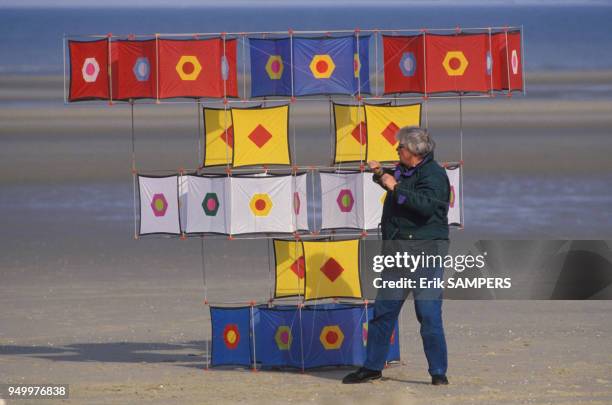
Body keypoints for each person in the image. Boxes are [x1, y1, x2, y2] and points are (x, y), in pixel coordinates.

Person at [342, 126, 451, 385]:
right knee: (383, 312)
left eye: (400, 147)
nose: (396, 150)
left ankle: (438, 372)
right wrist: (381, 174)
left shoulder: (435, 175)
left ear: (413, 151)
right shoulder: (404, 169)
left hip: (426, 255)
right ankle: (372, 367)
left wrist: (395, 186)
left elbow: (425, 206)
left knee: (428, 314)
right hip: (396, 254)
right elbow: (393, 181)